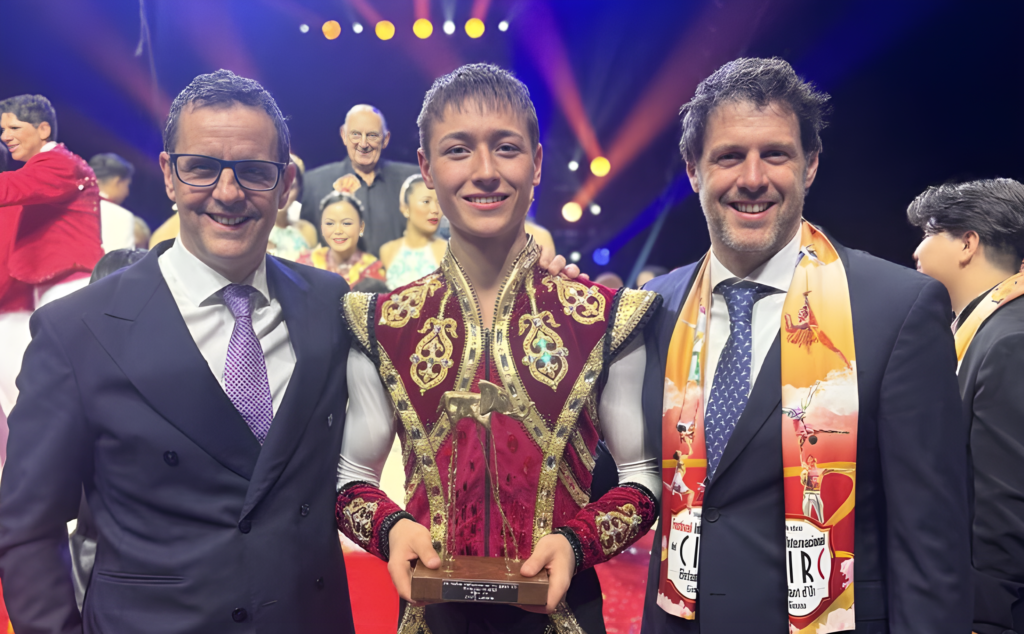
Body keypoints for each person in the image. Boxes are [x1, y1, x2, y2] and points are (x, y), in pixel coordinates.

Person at [0, 69, 357, 633]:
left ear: (286, 183)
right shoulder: (77, 330)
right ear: (169, 175)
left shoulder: (330, 304)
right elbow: (27, 527)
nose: (228, 192)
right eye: (201, 168)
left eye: (254, 171)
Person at [640, 57, 970, 633]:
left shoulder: (897, 308)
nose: (752, 178)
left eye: (775, 154)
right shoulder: (655, 307)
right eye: (728, 156)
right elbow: (618, 471)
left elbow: (931, 544)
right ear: (693, 170)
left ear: (810, 164)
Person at [334, 62, 662, 634]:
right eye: (458, 150)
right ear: (426, 168)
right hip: (430, 617)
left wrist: (575, 543)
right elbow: (349, 476)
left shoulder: (604, 318)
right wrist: (392, 530)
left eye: (506, 148)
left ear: (536, 163)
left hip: (564, 616)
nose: (485, 172)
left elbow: (643, 477)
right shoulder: (384, 323)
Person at [908, 178, 1024, 634]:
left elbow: (1006, 505)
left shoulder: (1010, 338)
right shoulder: (989, 328)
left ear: (967, 243)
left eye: (928, 232)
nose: (917, 251)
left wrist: (986, 618)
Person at [0, 94, 103, 420]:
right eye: (2, 130)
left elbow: (11, 188)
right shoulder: (39, 170)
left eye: (14, 127)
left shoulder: (59, 163)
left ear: (43, 129)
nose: (5, 136)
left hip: (70, 286)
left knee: (63, 385)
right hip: (45, 289)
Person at [300, 104, 420, 256]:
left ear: (385, 139)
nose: (363, 144)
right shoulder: (313, 185)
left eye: (372, 135)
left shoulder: (413, 182)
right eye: (355, 134)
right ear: (343, 135)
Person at [298, 190, 386, 287]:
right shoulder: (307, 264)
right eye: (330, 223)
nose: (338, 231)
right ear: (322, 228)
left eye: (346, 223)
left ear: (361, 227)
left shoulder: (372, 270)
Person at [379, 173, 446, 290]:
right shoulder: (387, 251)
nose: (435, 210)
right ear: (405, 208)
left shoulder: (448, 251)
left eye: (439, 202)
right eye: (426, 202)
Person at [268, 153, 317, 261]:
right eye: (277, 186)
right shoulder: (255, 231)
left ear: (299, 188)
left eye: (292, 187)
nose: (284, 193)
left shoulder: (307, 230)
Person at [89, 153, 138, 253]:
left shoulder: (71, 206)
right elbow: (121, 261)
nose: (127, 193)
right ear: (117, 181)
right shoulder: (122, 216)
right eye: (127, 185)